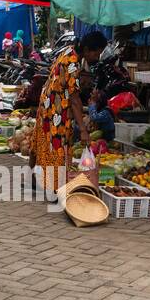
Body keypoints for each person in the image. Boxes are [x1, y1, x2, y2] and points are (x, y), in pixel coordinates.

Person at [31, 31, 107, 192]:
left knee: (43, 142)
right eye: (96, 53)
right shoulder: (72, 63)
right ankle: (53, 188)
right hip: (56, 110)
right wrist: (84, 130)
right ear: (87, 49)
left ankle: (36, 178)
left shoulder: (69, 50)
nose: (97, 57)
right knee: (57, 146)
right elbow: (74, 99)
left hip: (47, 103)